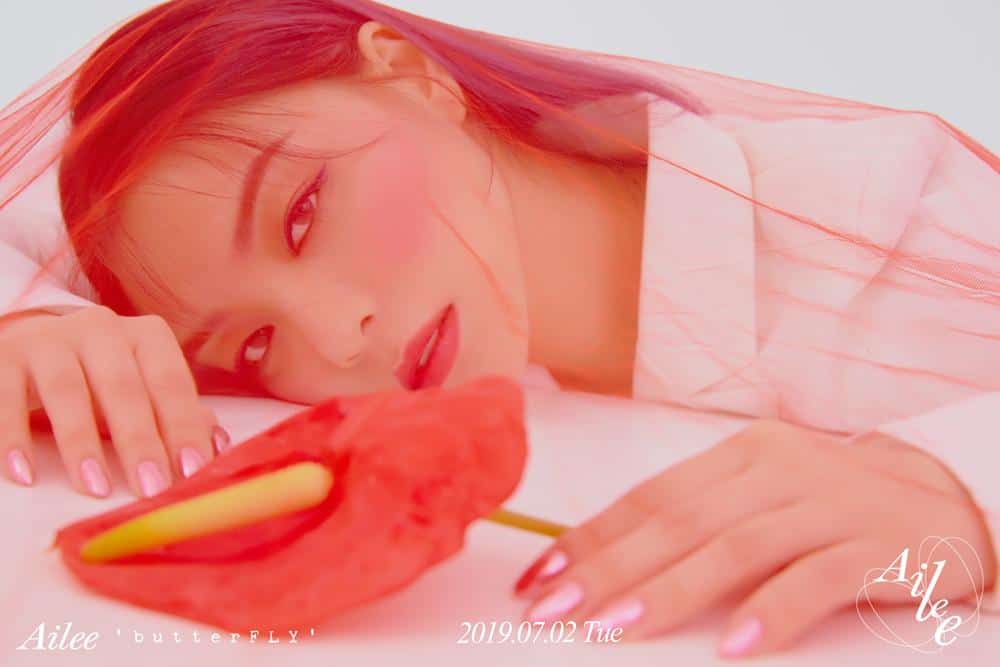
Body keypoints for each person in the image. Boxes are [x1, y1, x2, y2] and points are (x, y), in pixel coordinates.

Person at [0, 0, 996, 657]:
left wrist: (963, 486)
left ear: (410, 72)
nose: (337, 339)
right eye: (254, 345)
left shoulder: (892, 221)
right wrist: (33, 316)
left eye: (302, 215)